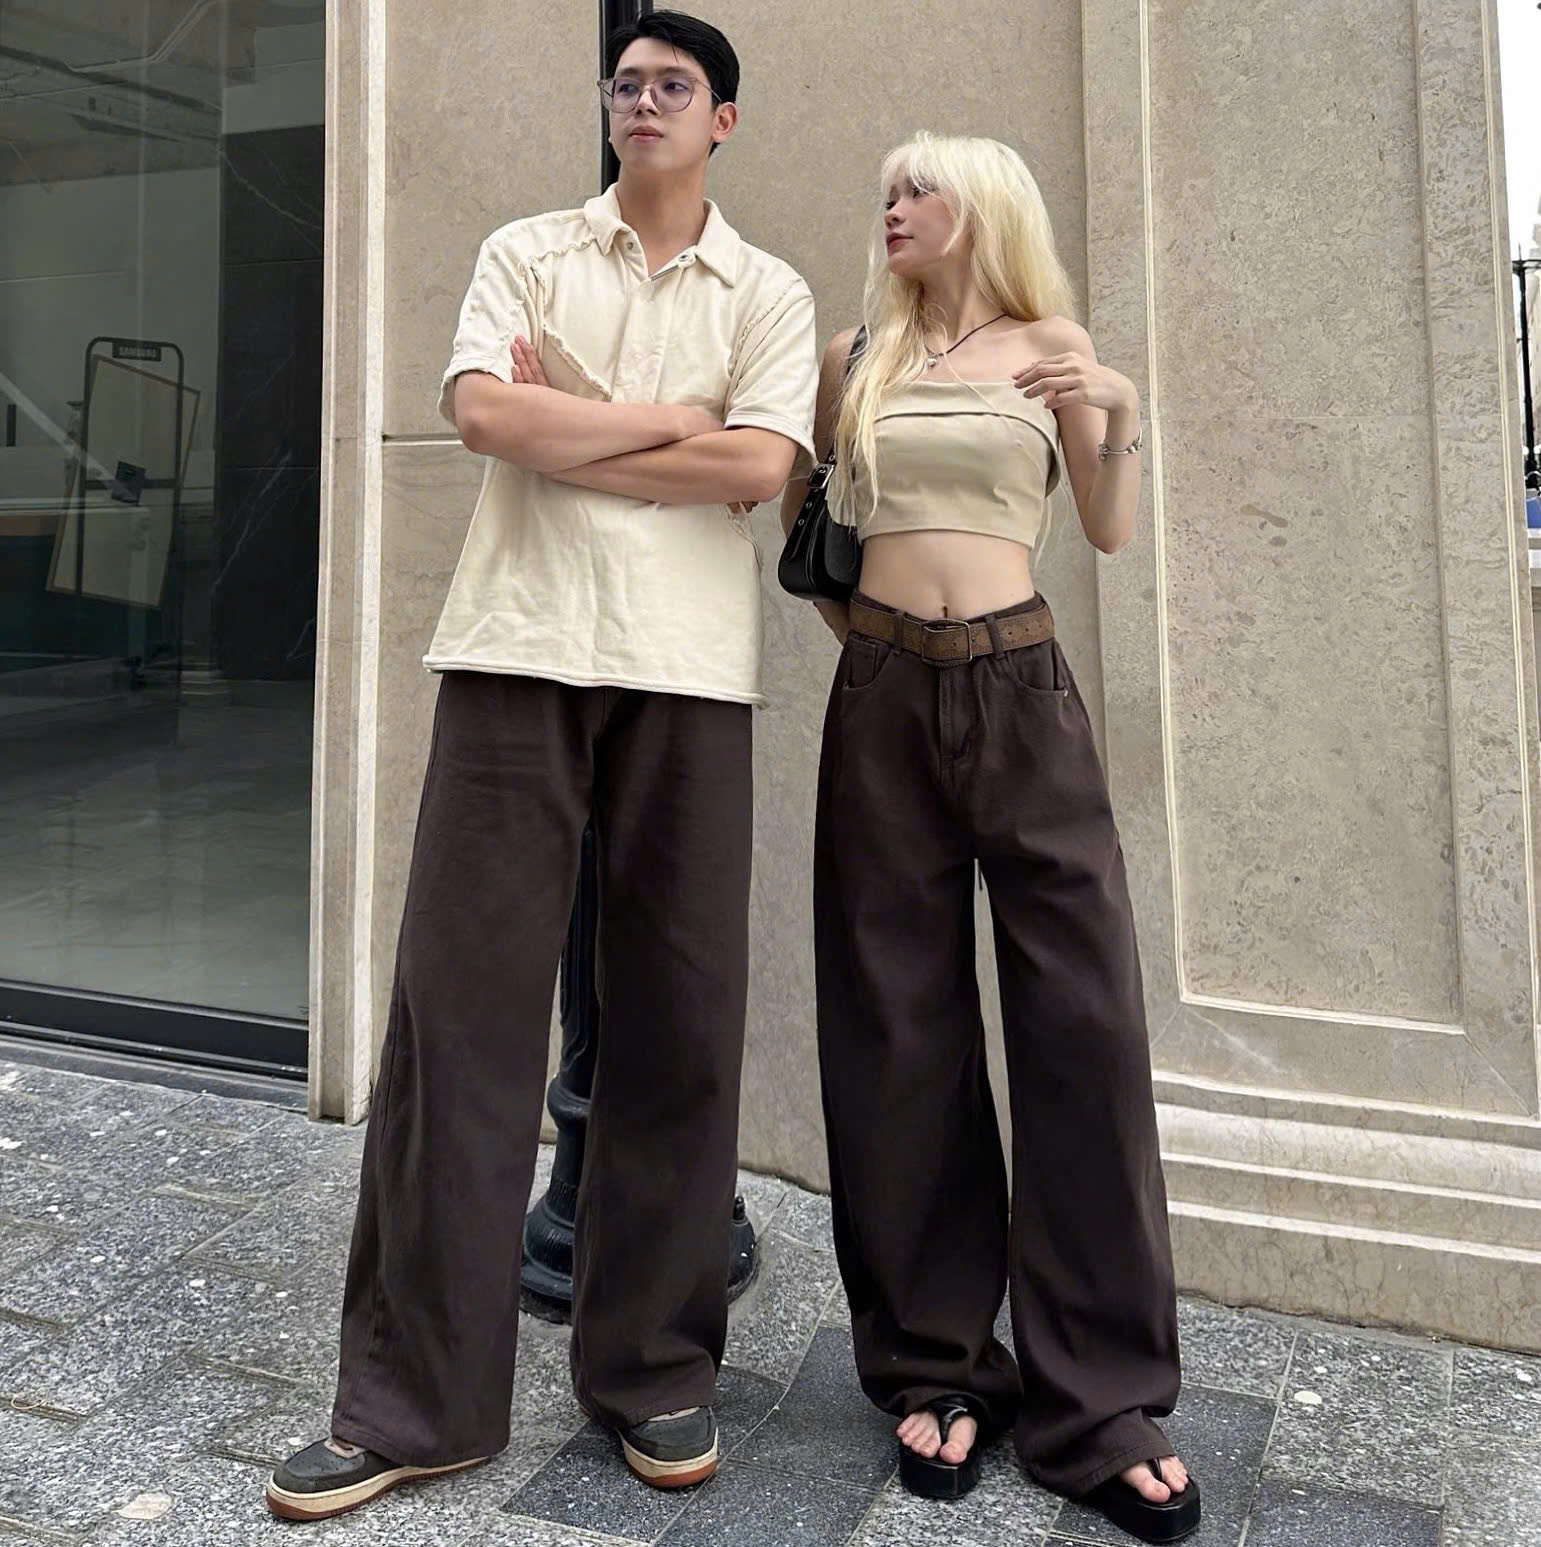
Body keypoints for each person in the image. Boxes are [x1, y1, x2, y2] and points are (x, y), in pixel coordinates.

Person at [265, 11, 817, 1522]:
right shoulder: (525, 251)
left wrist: (574, 422)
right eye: (625, 82)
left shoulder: (768, 289)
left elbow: (759, 465)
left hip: (688, 674)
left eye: (673, 85)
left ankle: (654, 1369)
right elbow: (481, 412)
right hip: (515, 647)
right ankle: (414, 1403)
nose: (642, 99)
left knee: (678, 1026)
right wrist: (669, 425)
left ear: (722, 120)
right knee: (457, 1025)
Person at [783, 132, 1199, 1544]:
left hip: (1022, 683)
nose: (893, 209)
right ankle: (939, 1364)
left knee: (1083, 1022)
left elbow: (1108, 527)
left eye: (919, 189)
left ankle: (1103, 1402)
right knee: (896, 1023)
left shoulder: (1051, 349)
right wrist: (888, 650)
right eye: (885, 191)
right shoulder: (855, 357)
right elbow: (817, 538)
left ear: (982, 208)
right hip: (884, 691)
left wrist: (1118, 402)